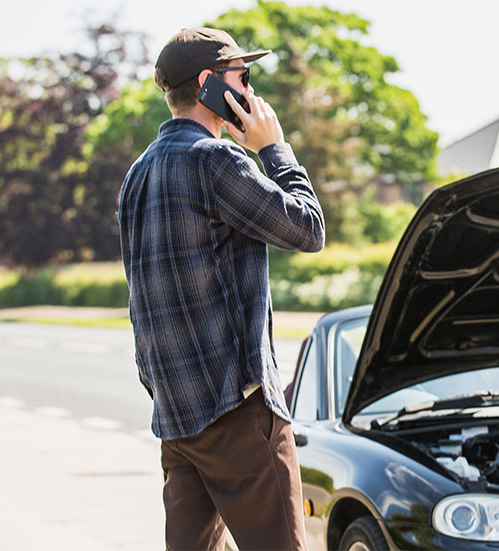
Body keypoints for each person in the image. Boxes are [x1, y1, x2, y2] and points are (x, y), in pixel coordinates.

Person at [117, 27, 324, 551]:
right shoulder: (216, 160)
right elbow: (308, 228)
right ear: (209, 84)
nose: (252, 92)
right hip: (238, 413)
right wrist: (274, 149)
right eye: (243, 77)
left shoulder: (136, 176)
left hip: (177, 418)